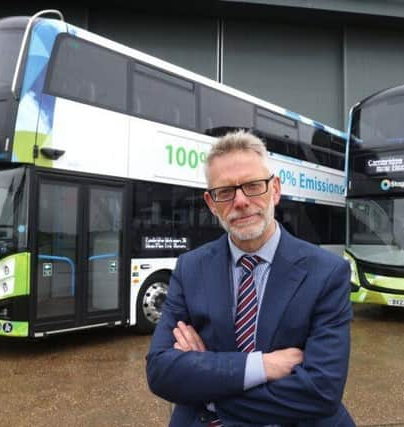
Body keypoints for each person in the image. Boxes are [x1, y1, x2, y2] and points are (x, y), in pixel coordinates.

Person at [146, 130, 354, 427]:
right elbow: (161, 371)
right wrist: (262, 365)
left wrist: (208, 393)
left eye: (253, 186)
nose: (241, 201)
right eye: (225, 192)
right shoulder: (190, 268)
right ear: (210, 203)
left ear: (275, 190)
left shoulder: (327, 272)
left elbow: (321, 391)